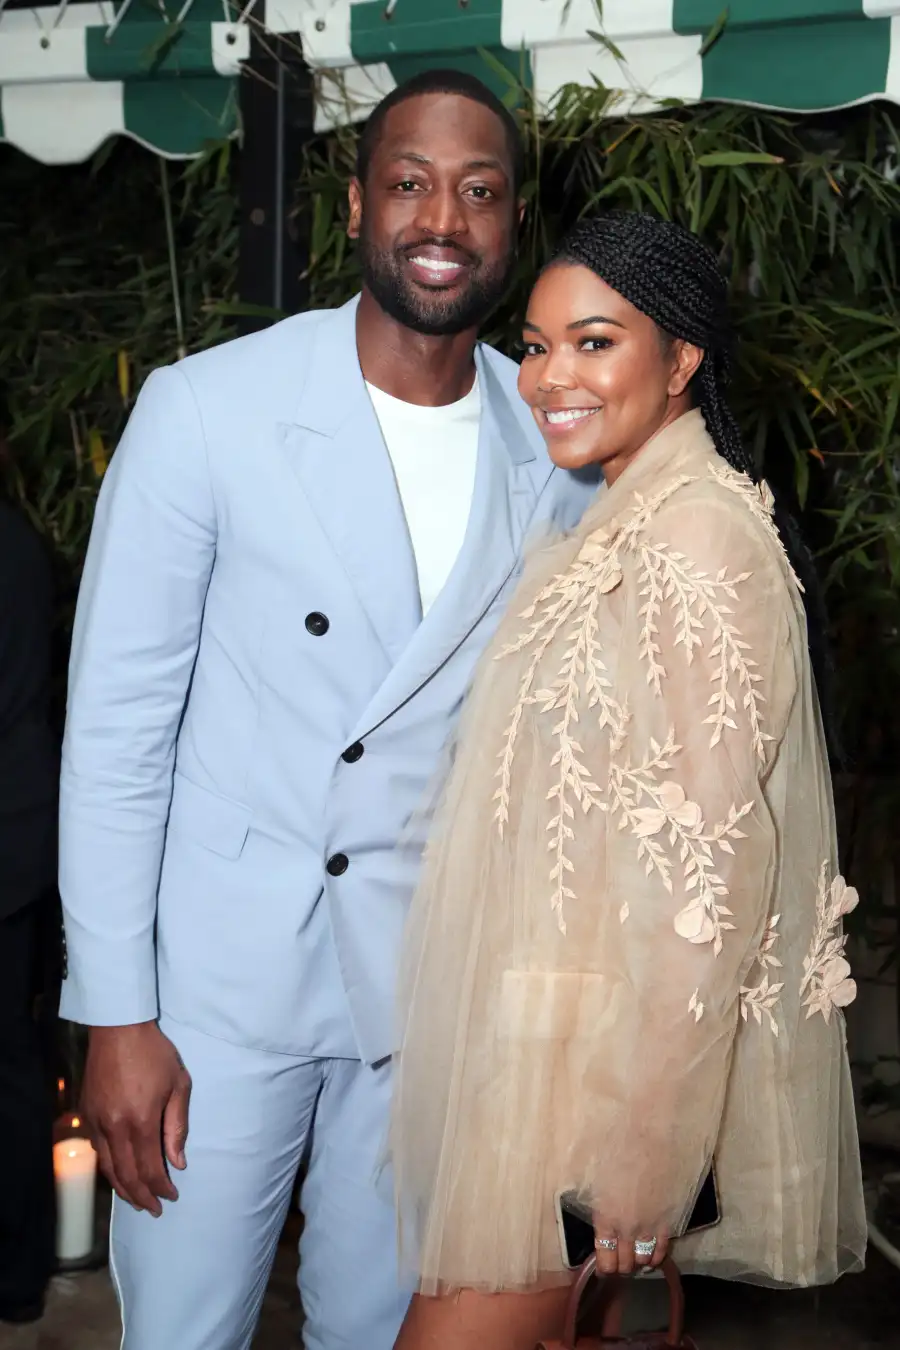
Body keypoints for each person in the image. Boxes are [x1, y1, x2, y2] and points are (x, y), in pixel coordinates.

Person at [58, 71, 596, 1350]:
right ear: (358, 202)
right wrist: (116, 1015)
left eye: (478, 192)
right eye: (410, 182)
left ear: (513, 224)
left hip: (425, 1001)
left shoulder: (553, 457)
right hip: (216, 1000)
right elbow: (116, 735)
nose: (442, 220)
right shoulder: (208, 410)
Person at [390, 212, 868, 1350]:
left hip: (594, 1093)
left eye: (594, 343)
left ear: (683, 360)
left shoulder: (695, 536)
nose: (549, 375)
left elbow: (717, 862)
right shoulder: (624, 519)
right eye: (539, 343)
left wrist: (645, 1147)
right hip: (551, 1050)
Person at [0, 490, 58, 1325]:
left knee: (10, 1074)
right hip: (18, 847)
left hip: (11, 850)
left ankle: (14, 1274)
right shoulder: (17, 533)